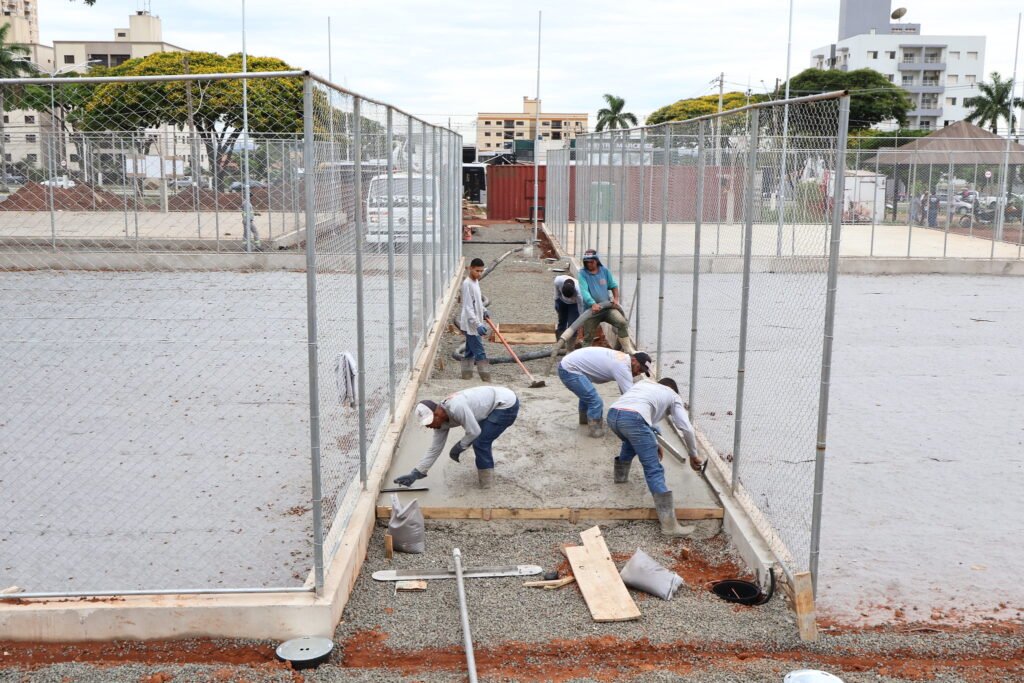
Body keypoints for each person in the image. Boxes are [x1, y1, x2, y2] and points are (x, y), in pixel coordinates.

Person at [606, 377, 703, 537]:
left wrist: (649, 439)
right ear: (673, 389)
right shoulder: (673, 396)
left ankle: (620, 478)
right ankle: (669, 526)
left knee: (630, 442)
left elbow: (640, 413)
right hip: (634, 419)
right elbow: (687, 429)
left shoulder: (645, 384)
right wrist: (693, 455)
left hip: (613, 415)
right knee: (654, 469)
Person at [393, 386, 520, 489]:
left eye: (429, 422)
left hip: (505, 404)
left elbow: (474, 431)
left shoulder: (456, 407)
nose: (429, 427)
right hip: (487, 406)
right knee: (479, 439)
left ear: (437, 413)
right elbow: (435, 449)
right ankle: (486, 473)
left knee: (481, 442)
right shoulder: (440, 423)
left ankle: (487, 485)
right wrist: (416, 473)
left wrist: (460, 446)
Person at [558, 346, 652, 438]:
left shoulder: (623, 360)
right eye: (639, 369)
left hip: (572, 365)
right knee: (595, 401)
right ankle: (594, 430)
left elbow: (626, 394)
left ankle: (584, 420)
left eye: (642, 372)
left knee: (587, 395)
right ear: (634, 360)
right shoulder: (622, 367)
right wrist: (645, 419)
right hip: (570, 370)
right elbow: (630, 397)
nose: (638, 373)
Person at [577, 249, 633, 352]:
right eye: (587, 262)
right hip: (592, 311)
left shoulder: (605, 271)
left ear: (597, 260)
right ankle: (585, 358)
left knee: (622, 323)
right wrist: (592, 303)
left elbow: (613, 286)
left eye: (592, 261)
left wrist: (616, 299)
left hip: (607, 308)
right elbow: (584, 291)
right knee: (588, 337)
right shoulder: (582, 274)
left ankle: (628, 350)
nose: (589, 264)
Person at [459, 257, 491, 381]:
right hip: (470, 324)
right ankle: (486, 377)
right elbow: (468, 307)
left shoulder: (476, 282)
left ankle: (466, 375)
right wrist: (477, 324)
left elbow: (477, 302)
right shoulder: (467, 284)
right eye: (477, 271)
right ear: (470, 268)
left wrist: (483, 310)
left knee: (469, 351)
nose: (479, 274)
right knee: (480, 351)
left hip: (474, 322)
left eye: (481, 271)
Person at [553, 274, 582, 345]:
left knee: (573, 325)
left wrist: (581, 317)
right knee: (562, 321)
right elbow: (556, 292)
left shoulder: (579, 291)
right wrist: (556, 302)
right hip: (562, 301)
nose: (568, 299)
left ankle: (570, 347)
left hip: (574, 304)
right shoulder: (558, 281)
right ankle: (560, 344)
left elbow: (581, 306)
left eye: (570, 297)